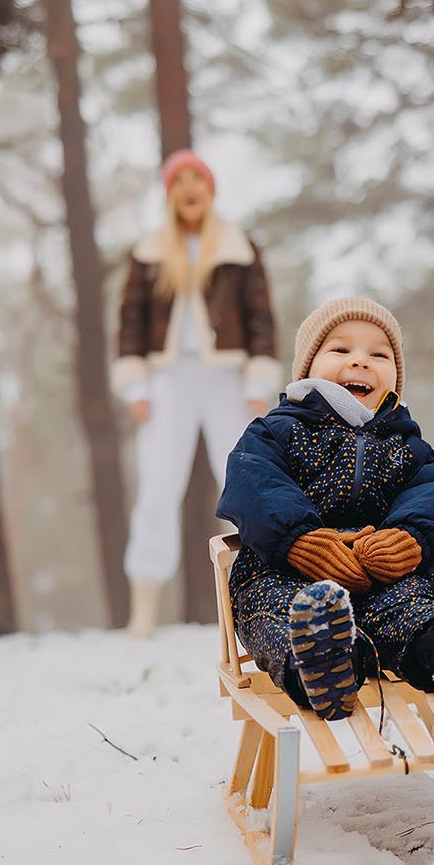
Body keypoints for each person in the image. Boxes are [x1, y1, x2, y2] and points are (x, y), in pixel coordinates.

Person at [215, 297, 434, 721]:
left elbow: (430, 494)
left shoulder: (407, 445)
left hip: (381, 580)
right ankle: (324, 665)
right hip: (285, 574)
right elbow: (254, 483)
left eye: (379, 355)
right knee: (281, 615)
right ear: (307, 367)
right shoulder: (275, 431)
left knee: (413, 605)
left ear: (396, 377)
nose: (360, 361)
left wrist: (407, 540)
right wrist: (301, 540)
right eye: (341, 349)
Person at [114, 149, 280, 637]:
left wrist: (258, 380)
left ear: (210, 189)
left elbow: (260, 316)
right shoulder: (148, 253)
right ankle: (144, 607)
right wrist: (136, 384)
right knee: (158, 485)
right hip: (167, 379)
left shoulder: (238, 248)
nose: (189, 188)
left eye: (197, 179)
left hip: (227, 379)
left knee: (243, 481)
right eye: (179, 180)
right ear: (169, 193)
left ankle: (258, 593)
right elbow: (130, 321)